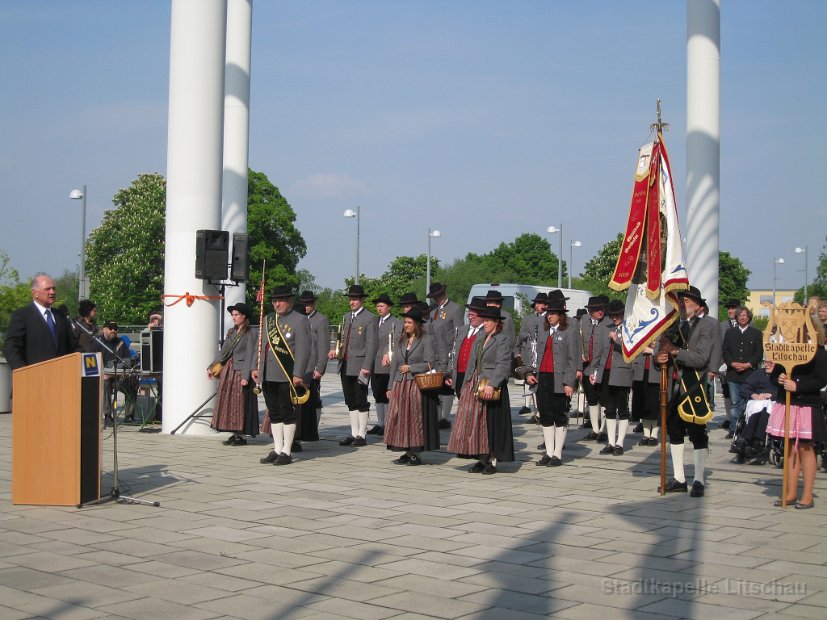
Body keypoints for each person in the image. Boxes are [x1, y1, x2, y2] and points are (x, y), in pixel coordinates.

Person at [655, 286, 715, 498]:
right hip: (672, 387)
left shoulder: (708, 325)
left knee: (697, 433)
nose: (682, 304)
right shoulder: (671, 325)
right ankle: (679, 478)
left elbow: (700, 358)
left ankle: (698, 479)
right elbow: (660, 350)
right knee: (674, 431)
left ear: (698, 305)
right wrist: (659, 357)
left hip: (695, 385)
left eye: (687, 301)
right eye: (680, 301)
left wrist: (675, 351)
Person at [765, 321, 827, 509]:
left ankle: (807, 495)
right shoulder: (785, 348)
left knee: (806, 448)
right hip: (788, 402)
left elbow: (821, 379)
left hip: (807, 404)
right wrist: (779, 378)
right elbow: (774, 374)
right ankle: (790, 492)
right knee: (790, 447)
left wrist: (798, 386)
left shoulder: (818, 350)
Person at [448, 305, 514, 475]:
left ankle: (492, 460)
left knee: (491, 424)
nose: (484, 324)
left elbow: (503, 364)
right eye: (483, 321)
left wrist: (493, 384)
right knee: (477, 423)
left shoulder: (503, 339)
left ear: (496, 322)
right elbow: (472, 363)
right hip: (476, 383)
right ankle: (481, 457)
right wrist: (465, 385)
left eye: (487, 321)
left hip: (492, 385)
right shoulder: (480, 338)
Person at [253, 285, 311, 466]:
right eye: (275, 301)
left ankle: (287, 450)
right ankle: (277, 448)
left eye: (281, 301)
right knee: (274, 413)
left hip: (287, 374)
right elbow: (260, 345)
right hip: (268, 373)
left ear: (289, 301)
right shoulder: (268, 320)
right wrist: (256, 366)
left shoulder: (300, 320)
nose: (277, 304)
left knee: (287, 413)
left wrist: (298, 373)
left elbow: (303, 349)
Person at [524, 297, 579, 466]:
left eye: (554, 313)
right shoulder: (542, 330)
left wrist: (569, 382)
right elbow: (535, 354)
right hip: (543, 378)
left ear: (561, 315)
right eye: (549, 313)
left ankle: (557, 454)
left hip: (560, 378)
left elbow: (574, 359)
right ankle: (548, 452)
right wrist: (530, 373)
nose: (550, 316)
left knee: (559, 414)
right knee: (546, 415)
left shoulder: (569, 331)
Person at [383, 306, 440, 465]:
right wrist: (390, 386)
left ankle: (416, 452)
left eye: (408, 322)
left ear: (416, 324)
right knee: (401, 418)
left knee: (415, 418)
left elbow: (430, 363)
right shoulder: (401, 340)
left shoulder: (426, 339)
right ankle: (406, 451)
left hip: (416, 384)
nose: (406, 325)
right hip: (400, 384)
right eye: (405, 322)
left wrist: (411, 368)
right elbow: (394, 364)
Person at [329, 284, 377, 446]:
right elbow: (342, 339)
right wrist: (336, 351)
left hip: (360, 365)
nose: (352, 302)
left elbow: (371, 345)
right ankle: (353, 432)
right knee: (350, 400)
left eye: (355, 299)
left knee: (360, 398)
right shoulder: (346, 316)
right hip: (345, 364)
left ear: (362, 300)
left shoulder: (370, 318)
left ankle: (361, 435)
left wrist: (367, 366)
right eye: (350, 299)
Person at [4, 274, 79, 370]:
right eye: (48, 289)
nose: (52, 292)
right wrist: (23, 372)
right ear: (35, 293)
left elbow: (72, 347)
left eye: (54, 288)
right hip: (33, 378)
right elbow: (11, 348)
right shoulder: (22, 316)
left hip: (60, 378)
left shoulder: (61, 316)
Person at [209, 303, 258, 446]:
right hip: (228, 370)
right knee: (227, 402)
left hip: (241, 370)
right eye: (233, 315)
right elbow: (223, 351)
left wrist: (245, 376)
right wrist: (211, 366)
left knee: (239, 403)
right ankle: (233, 432)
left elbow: (250, 354)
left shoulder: (250, 333)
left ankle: (241, 435)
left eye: (236, 315)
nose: (234, 317)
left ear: (244, 316)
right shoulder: (231, 332)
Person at [426, 283, 466, 430]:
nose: (435, 299)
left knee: (446, 387)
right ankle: (436, 416)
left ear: (442, 294)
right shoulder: (432, 312)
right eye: (433, 297)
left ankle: (445, 417)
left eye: (437, 296)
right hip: (434, 354)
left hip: (448, 352)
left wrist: (454, 353)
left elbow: (459, 332)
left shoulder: (455, 309)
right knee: (435, 386)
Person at [721, 305, 763, 438]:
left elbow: (759, 353)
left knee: (748, 402)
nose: (742, 317)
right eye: (740, 315)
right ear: (737, 318)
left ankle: (746, 427)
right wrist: (732, 363)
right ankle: (734, 428)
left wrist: (748, 364)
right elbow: (725, 351)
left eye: (745, 315)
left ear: (749, 317)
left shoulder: (756, 333)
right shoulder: (730, 332)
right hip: (733, 373)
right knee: (735, 403)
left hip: (749, 373)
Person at [598, 300, 634, 456]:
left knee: (623, 408)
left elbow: (632, 348)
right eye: (612, 315)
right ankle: (611, 442)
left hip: (622, 373)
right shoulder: (609, 329)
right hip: (607, 372)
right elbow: (601, 353)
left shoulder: (630, 328)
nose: (614, 318)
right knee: (609, 408)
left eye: (617, 315)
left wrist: (617, 339)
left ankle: (620, 442)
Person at [369, 294, 401, 436]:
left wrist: (388, 353)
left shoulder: (396, 322)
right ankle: (380, 423)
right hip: (374, 362)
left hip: (387, 363)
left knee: (385, 392)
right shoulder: (374, 321)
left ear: (389, 307)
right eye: (377, 306)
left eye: (382, 306)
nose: (379, 308)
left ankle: (388, 424)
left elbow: (397, 341)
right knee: (377, 393)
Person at [299, 290, 330, 442]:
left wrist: (320, 368)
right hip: (300, 367)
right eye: (304, 303)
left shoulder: (321, 320)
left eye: (309, 303)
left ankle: (312, 429)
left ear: (313, 303)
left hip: (313, 367)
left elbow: (323, 346)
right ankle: (301, 429)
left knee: (314, 399)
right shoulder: (299, 319)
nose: (306, 306)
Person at [92, 321, 135, 424]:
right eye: (111, 328)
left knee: (133, 383)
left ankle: (129, 415)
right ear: (104, 329)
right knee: (106, 384)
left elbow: (127, 360)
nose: (113, 331)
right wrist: (102, 374)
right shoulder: (97, 343)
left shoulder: (121, 343)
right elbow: (91, 362)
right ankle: (107, 415)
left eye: (115, 329)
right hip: (103, 377)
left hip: (118, 377)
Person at [579, 296, 609, 441]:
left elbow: (605, 348)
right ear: (589, 310)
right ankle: (595, 429)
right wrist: (581, 354)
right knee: (591, 398)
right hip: (586, 366)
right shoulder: (584, 320)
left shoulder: (608, 322)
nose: (600, 311)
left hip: (602, 367)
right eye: (596, 309)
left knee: (604, 399)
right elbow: (579, 339)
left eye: (602, 308)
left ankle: (603, 429)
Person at [516, 292, 548, 416]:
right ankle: (536, 413)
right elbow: (521, 336)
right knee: (531, 383)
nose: (537, 305)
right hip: (529, 353)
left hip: (543, 355)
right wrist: (517, 351)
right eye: (536, 303)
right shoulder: (528, 319)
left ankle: (541, 412)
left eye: (539, 303)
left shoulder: (549, 317)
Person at [445, 298, 485, 398]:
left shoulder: (485, 332)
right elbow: (454, 351)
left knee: (471, 403)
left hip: (472, 375)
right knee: (460, 398)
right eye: (469, 315)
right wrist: (449, 373)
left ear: (482, 316)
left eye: (472, 315)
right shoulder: (462, 330)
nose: (470, 317)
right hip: (459, 373)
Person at [718, 299, 740, 428]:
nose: (730, 311)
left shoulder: (749, 324)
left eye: (733, 308)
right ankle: (728, 418)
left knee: (739, 394)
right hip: (725, 365)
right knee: (726, 392)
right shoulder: (722, 325)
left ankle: (739, 419)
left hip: (741, 365)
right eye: (729, 308)